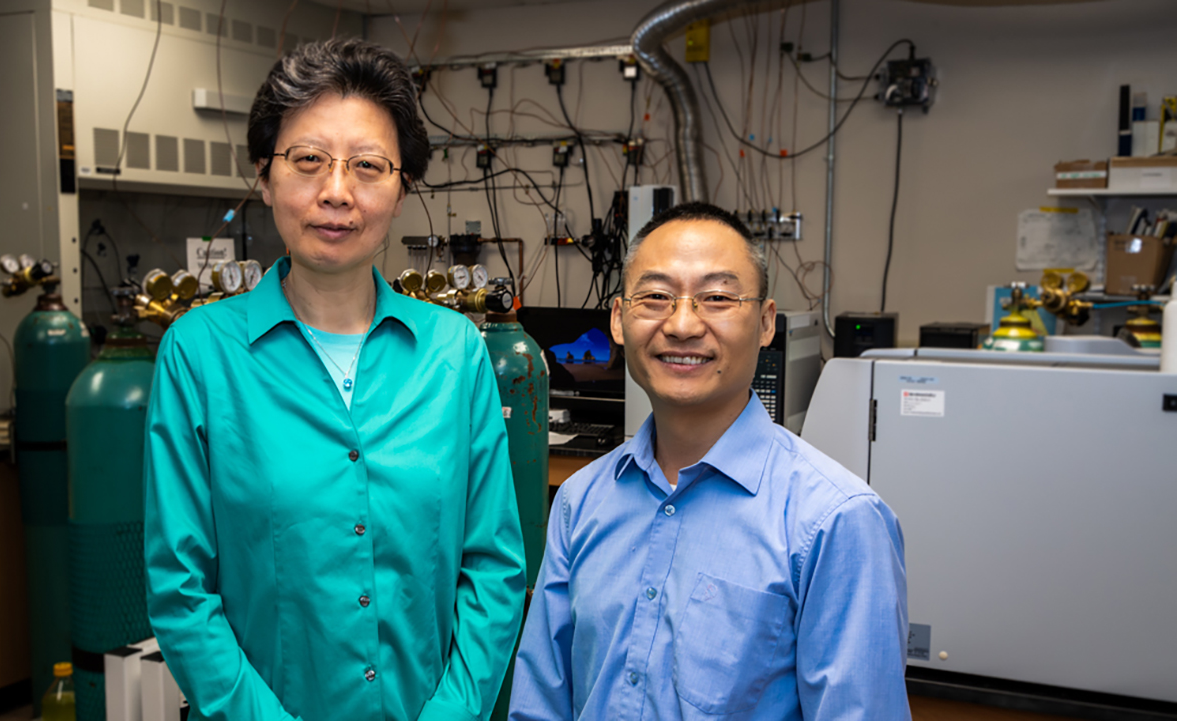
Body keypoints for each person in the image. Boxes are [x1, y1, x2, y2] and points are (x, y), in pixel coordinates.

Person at [144, 38, 526, 721]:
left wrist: (450, 714)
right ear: (265, 177)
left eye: (369, 166)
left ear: (402, 186)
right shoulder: (200, 354)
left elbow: (493, 569)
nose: (337, 192)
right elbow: (181, 587)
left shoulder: (454, 353)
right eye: (308, 160)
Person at [508, 202, 910, 721]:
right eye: (655, 297)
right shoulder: (581, 501)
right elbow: (541, 702)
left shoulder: (837, 521)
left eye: (717, 297)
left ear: (766, 323)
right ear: (618, 320)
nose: (681, 324)